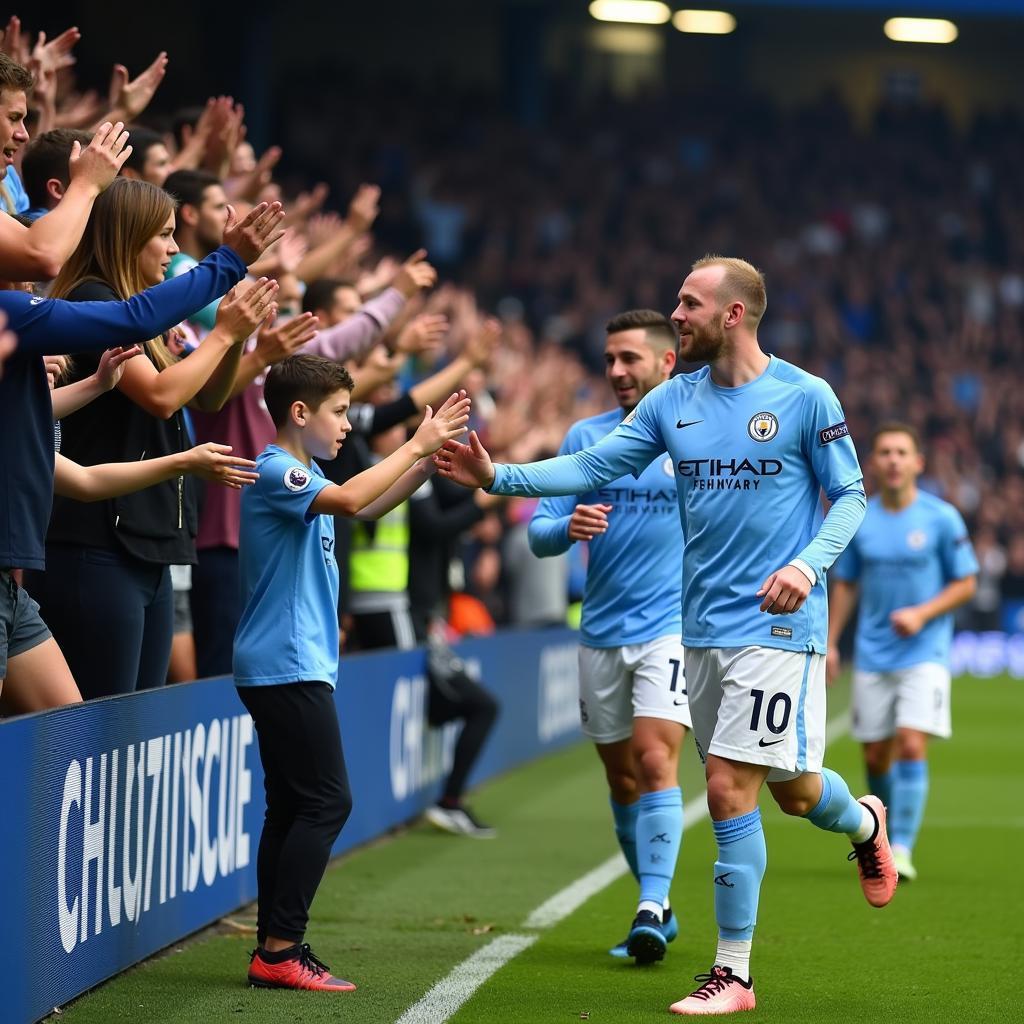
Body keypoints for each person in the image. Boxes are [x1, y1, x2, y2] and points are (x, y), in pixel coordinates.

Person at [434, 255, 898, 1016]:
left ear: (734, 314)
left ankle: (734, 974)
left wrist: (809, 567)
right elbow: (592, 463)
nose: (674, 314)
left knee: (723, 787)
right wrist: (499, 478)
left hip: (777, 626)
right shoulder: (673, 403)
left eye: (688, 303)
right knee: (796, 792)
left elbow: (849, 495)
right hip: (702, 629)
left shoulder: (805, 397)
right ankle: (863, 819)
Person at [236, 354, 469, 992]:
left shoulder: (305, 471)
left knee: (290, 806)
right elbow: (350, 497)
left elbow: (365, 508)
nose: (347, 424)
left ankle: (274, 947)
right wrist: (416, 441)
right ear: (300, 412)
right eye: (339, 412)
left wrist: (425, 464)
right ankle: (282, 947)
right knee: (328, 800)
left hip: (294, 659)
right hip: (284, 660)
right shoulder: (276, 468)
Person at [0, 200, 281, 710]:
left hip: (142, 543)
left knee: (118, 731)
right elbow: (162, 395)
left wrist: (234, 337)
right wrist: (224, 321)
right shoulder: (88, 301)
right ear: (129, 237)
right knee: (99, 728)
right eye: (165, 235)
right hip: (98, 545)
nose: (175, 250)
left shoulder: (137, 315)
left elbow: (207, 396)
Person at [528, 309, 689, 963]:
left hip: (670, 629)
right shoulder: (586, 439)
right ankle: (660, 905)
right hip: (599, 633)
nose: (618, 371)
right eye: (611, 361)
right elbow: (539, 530)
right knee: (622, 779)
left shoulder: (694, 437)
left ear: (665, 362)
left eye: (630, 359)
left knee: (655, 759)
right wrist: (568, 529)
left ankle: (650, 903)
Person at [826, 422, 978, 882]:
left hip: (924, 653)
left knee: (911, 742)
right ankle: (881, 838)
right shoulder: (861, 519)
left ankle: (904, 848)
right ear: (873, 463)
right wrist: (832, 642)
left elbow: (966, 582)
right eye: (885, 452)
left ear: (917, 463)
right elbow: (847, 583)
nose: (893, 460)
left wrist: (923, 613)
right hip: (873, 655)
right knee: (875, 756)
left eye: (901, 452)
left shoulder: (941, 517)